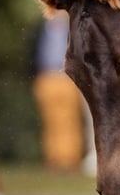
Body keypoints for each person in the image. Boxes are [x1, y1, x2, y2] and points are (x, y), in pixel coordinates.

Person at [32, 11, 84, 170]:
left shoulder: (73, 31)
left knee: (70, 120)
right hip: (46, 77)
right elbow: (33, 53)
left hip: (67, 79)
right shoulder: (39, 29)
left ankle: (70, 158)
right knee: (50, 121)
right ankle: (53, 158)